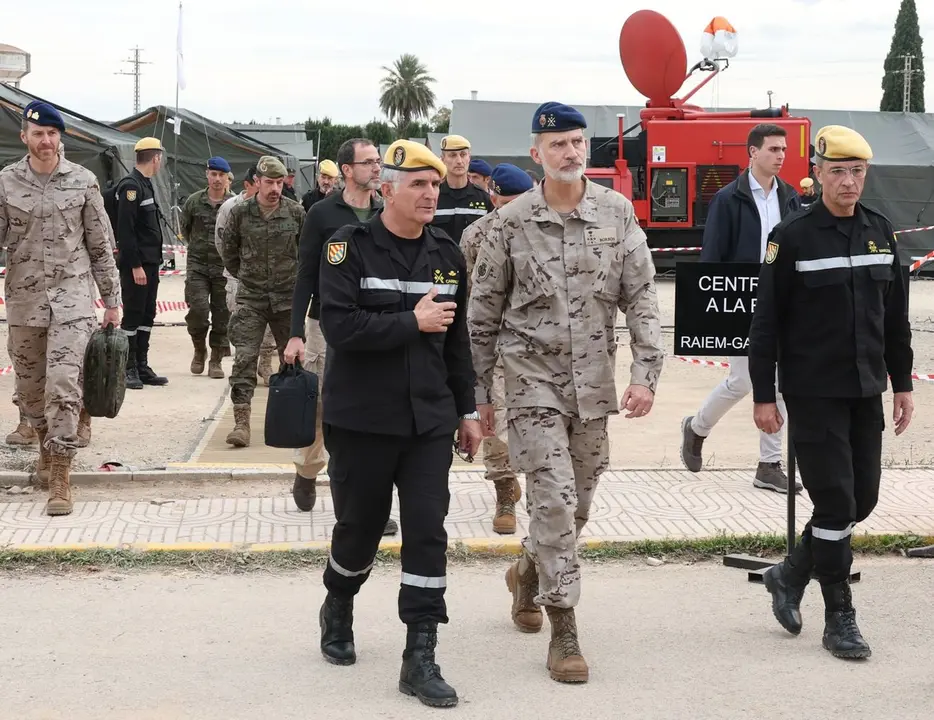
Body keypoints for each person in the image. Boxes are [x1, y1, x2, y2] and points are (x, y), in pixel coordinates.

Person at [468, 102, 664, 684]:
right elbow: (483, 314)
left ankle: (527, 573)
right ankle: (565, 629)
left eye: (578, 142)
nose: (571, 152)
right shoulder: (508, 223)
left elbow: (643, 296)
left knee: (575, 506)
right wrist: (480, 393)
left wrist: (644, 374)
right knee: (551, 500)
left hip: (593, 386)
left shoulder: (616, 213)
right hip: (529, 382)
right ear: (537, 154)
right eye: (558, 145)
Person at [315, 139, 481, 708]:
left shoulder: (447, 254)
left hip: (428, 420)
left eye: (435, 184)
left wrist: (469, 410)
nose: (431, 193)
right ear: (387, 188)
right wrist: (411, 322)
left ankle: (420, 654)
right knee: (360, 529)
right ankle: (338, 600)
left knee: (428, 531)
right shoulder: (348, 249)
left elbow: (457, 341)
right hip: (362, 418)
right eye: (418, 183)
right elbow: (340, 328)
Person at [749, 125, 914, 660]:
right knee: (836, 501)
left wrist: (903, 384)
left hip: (866, 388)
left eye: (857, 171)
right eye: (838, 171)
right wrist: (763, 395)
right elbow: (766, 324)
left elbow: (895, 321)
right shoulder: (791, 238)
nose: (849, 181)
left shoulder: (881, 232)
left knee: (860, 501)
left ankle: (791, 571)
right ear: (817, 173)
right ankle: (839, 615)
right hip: (813, 391)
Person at [0, 101, 121, 515]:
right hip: (23, 303)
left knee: (64, 385)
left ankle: (61, 475)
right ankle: (42, 447)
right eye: (38, 134)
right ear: (25, 137)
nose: (46, 141)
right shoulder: (6, 183)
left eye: (52, 134)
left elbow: (100, 245)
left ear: (60, 137)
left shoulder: (83, 181)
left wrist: (113, 302)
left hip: (72, 301)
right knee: (30, 391)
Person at [285, 138, 399, 538]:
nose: (376, 168)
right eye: (368, 162)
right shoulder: (320, 214)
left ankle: (364, 506)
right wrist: (295, 332)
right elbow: (304, 275)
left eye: (378, 162)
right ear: (347, 169)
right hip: (325, 327)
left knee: (367, 415)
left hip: (372, 327)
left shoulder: (387, 212)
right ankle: (307, 468)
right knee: (322, 410)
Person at [679, 123, 802, 493]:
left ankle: (769, 464)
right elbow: (713, 255)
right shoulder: (728, 199)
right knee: (743, 380)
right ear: (752, 152)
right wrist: (709, 308)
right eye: (773, 149)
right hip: (738, 301)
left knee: (779, 381)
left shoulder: (790, 197)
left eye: (783, 149)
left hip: (780, 298)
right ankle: (696, 427)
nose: (780, 156)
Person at [459, 163, 533, 534]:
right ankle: (505, 490)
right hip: (494, 344)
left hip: (539, 347)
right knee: (494, 418)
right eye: (508, 202)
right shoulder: (474, 237)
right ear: (493, 198)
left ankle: (543, 492)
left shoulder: (548, 230)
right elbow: (468, 295)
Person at [218, 156, 304, 447]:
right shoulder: (240, 213)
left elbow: (305, 254)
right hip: (251, 299)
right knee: (244, 359)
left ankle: (292, 420)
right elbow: (228, 252)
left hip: (286, 300)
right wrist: (247, 275)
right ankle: (241, 423)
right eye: (269, 182)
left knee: (292, 361)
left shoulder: (296, 213)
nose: (275, 188)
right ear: (257, 181)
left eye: (280, 183)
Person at [114, 136, 169, 391]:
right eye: (160, 158)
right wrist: (135, 265)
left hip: (150, 262)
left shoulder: (146, 185)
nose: (160, 162)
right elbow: (126, 230)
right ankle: (128, 368)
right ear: (155, 158)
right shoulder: (131, 187)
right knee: (133, 315)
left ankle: (142, 364)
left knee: (148, 314)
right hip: (137, 265)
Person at [181, 156, 235, 379]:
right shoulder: (194, 202)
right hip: (198, 267)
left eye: (221, 175)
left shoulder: (234, 204)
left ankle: (215, 359)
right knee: (198, 311)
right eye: (213, 174)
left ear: (227, 178)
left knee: (222, 317)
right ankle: (199, 348)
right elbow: (185, 230)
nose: (217, 179)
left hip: (224, 268)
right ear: (207, 174)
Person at [431, 134, 492, 244]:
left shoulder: (484, 199)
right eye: (453, 155)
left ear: (469, 158)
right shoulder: (433, 197)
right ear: (443, 159)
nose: (459, 161)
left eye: (463, 155)